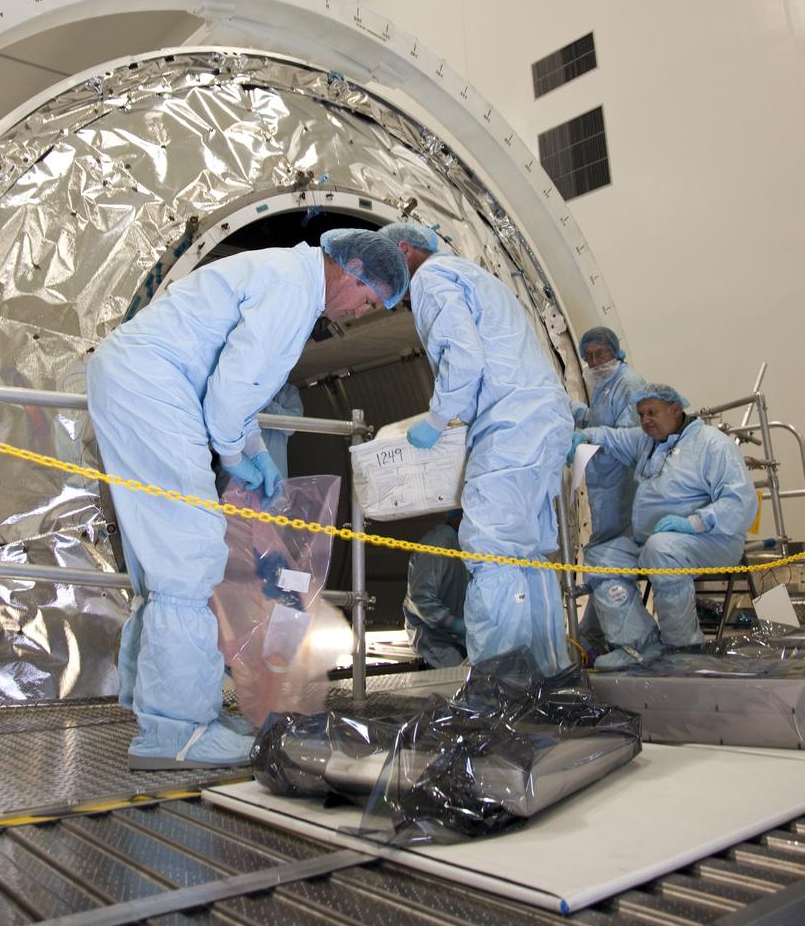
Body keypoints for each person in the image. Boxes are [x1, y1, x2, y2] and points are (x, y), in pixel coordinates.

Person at [86, 229, 409, 769]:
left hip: (140, 381)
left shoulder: (288, 279)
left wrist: (252, 447)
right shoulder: (291, 288)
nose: (360, 314)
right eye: (369, 300)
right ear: (351, 270)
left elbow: (240, 387)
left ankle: (158, 710)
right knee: (190, 557)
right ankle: (178, 733)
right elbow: (229, 395)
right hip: (155, 387)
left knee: (163, 561)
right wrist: (236, 455)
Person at [381, 221, 574, 675]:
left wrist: (436, 418)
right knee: (526, 555)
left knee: (488, 546)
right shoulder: (480, 278)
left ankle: (499, 687)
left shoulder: (431, 277)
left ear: (405, 250)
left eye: (383, 266)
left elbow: (462, 356)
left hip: (509, 422)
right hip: (541, 417)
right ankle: (550, 677)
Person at [568, 382, 758, 669]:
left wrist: (693, 522)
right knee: (599, 557)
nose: (645, 420)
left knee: (661, 549)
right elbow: (614, 437)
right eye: (641, 414)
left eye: (652, 412)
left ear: (675, 409)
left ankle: (683, 647)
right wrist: (584, 436)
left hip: (712, 538)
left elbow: (740, 501)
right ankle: (640, 644)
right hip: (652, 541)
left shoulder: (711, 443)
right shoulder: (647, 441)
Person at [571, 327, 647, 649]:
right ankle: (595, 634)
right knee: (603, 559)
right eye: (587, 357)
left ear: (615, 351)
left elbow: (630, 437)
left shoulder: (629, 384)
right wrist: (573, 412)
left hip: (621, 485)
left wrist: (591, 437)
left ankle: (630, 643)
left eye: (599, 354)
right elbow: (598, 420)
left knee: (608, 559)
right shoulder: (605, 386)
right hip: (606, 486)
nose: (592, 362)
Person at [403, 511, 470, 668]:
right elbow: (421, 600)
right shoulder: (437, 544)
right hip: (432, 637)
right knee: (456, 680)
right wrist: (454, 624)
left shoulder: (461, 543)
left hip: (455, 637)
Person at [259, 381, 304, 479]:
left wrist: (267, 403)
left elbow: (292, 426)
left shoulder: (288, 391)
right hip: (237, 474)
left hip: (274, 471)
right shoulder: (241, 385)